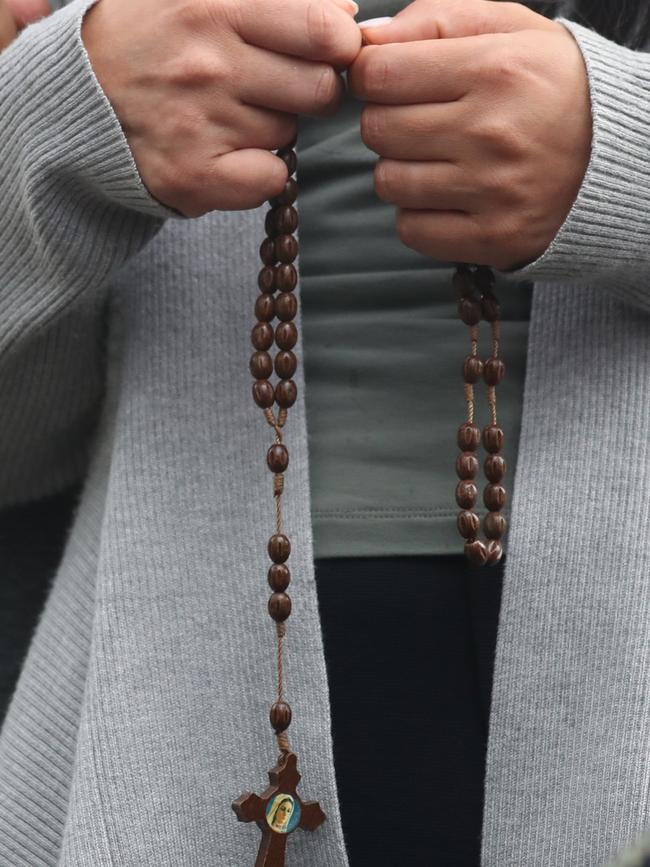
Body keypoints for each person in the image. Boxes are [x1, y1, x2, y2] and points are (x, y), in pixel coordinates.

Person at [0, 0, 649, 865]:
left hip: (603, 655)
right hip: (175, 657)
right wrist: (53, 125)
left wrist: (622, 152)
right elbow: (22, 449)